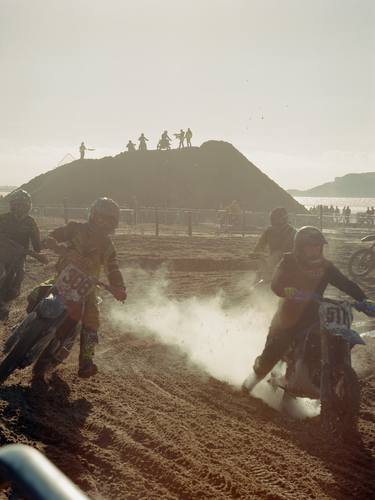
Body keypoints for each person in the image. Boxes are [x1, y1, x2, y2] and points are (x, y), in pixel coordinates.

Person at [243, 226, 371, 392]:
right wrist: (288, 291)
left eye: (317, 246)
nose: (314, 249)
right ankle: (248, 385)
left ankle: (319, 377)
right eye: (310, 246)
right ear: (300, 247)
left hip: (316, 315)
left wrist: (364, 300)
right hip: (287, 317)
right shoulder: (289, 261)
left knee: (333, 339)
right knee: (273, 352)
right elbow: (276, 284)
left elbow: (345, 283)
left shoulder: (326, 266)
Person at [41, 197, 127, 378]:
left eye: (107, 220)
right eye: (99, 217)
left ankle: (86, 361)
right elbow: (58, 233)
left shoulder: (108, 246)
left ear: (113, 223)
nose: (102, 222)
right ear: (92, 215)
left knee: (91, 319)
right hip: (63, 276)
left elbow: (113, 267)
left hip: (87, 286)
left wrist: (119, 287)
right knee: (37, 293)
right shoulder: (75, 228)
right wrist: (50, 240)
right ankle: (25, 325)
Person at [0, 190, 47, 320]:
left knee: (18, 279)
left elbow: (37, 246)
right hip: (2, 255)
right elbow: (5, 241)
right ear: (12, 205)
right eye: (17, 204)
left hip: (19, 258)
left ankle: (5, 304)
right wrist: (34, 254)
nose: (20, 207)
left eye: (23, 204)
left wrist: (47, 243)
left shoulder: (31, 222)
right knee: (1, 273)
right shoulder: (3, 219)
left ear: (28, 206)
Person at [252, 208, 296, 279]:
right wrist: (256, 253)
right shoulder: (269, 231)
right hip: (272, 262)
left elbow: (299, 250)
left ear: (284, 220)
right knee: (260, 274)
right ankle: (257, 284)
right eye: (274, 219)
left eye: (279, 219)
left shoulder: (293, 232)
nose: (276, 223)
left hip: (288, 263)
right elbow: (260, 245)